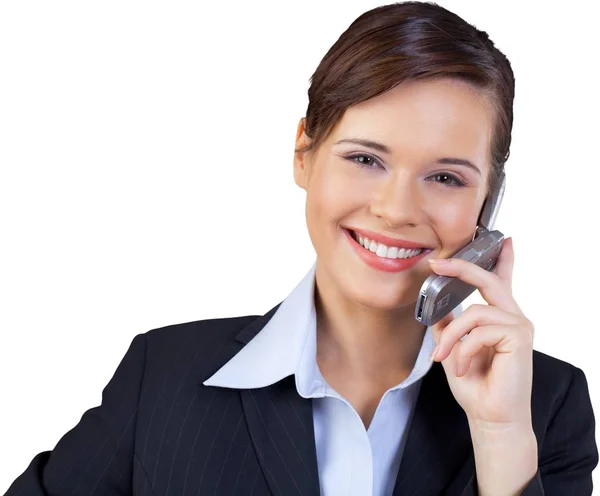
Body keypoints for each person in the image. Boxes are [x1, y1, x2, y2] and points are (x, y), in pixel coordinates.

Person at [5, 1, 598, 495]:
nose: (395, 210)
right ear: (303, 154)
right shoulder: (164, 376)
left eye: (446, 177)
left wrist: (501, 438)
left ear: (488, 204)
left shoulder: (542, 405)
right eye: (365, 159)